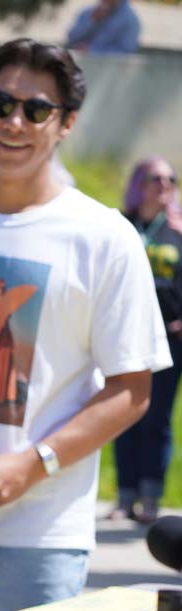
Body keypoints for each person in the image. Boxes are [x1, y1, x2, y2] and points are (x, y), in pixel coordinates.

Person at [0, 38, 170, 611]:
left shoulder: (104, 237)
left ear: (66, 123)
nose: (14, 122)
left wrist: (34, 463)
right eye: (0, 104)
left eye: (37, 109)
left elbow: (132, 388)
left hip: (44, 529)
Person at [111, 157, 182, 523]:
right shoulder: (121, 225)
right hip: (126, 332)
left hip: (170, 338)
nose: (165, 184)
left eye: (172, 178)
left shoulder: (177, 230)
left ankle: (151, 497)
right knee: (123, 411)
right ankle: (125, 498)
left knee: (157, 418)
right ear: (140, 182)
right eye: (156, 177)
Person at [67, 0, 140, 55]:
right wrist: (92, 22)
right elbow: (71, 38)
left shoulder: (130, 20)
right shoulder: (88, 12)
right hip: (77, 66)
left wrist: (92, 51)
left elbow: (126, 52)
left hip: (108, 71)